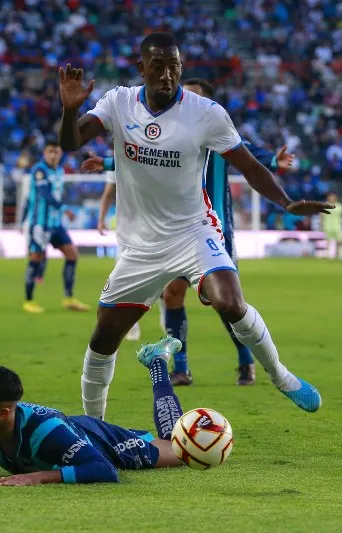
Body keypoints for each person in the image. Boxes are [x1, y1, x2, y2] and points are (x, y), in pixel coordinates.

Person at [59, 32, 333, 419]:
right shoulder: (118, 102)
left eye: (174, 66)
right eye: (157, 66)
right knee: (104, 337)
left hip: (193, 232)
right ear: (141, 68)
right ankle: (93, 425)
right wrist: (69, 111)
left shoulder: (206, 113)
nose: (166, 75)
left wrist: (286, 202)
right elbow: (71, 143)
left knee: (230, 301)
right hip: (139, 246)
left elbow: (250, 166)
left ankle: (281, 376)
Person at [84, 78, 297, 386]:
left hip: (213, 231)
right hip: (175, 232)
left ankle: (246, 361)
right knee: (172, 294)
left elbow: (253, 160)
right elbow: (142, 153)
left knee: (226, 303)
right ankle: (181, 368)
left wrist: (275, 161)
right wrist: (105, 163)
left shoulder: (217, 132)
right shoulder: (172, 132)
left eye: (196, 96)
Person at [0, 337, 187, 485]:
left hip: (99, 439)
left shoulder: (46, 432)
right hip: (71, 429)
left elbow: (104, 470)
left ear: (2, 414)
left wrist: (40, 477)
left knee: (182, 449)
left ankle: (157, 362)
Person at [22, 139, 90, 314]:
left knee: (72, 254)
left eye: (56, 152)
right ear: (45, 153)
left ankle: (68, 299)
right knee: (36, 258)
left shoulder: (60, 170)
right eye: (50, 151)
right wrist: (65, 209)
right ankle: (29, 301)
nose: (53, 155)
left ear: (60, 154)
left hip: (56, 223)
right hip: (40, 224)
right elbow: (45, 194)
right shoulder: (39, 170)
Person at [89, 164, 141, 340]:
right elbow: (108, 193)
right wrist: (101, 218)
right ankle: (131, 325)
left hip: (155, 228)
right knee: (124, 279)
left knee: (163, 279)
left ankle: (166, 313)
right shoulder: (118, 161)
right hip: (126, 232)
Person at [321, 192, 342, 260]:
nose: (331, 198)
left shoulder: (339, 206)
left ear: (335, 197)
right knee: (328, 242)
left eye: (333, 196)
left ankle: (341, 255)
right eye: (330, 196)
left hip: (337, 226)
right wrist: (321, 226)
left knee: (340, 241)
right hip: (327, 226)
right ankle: (328, 255)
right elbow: (321, 217)